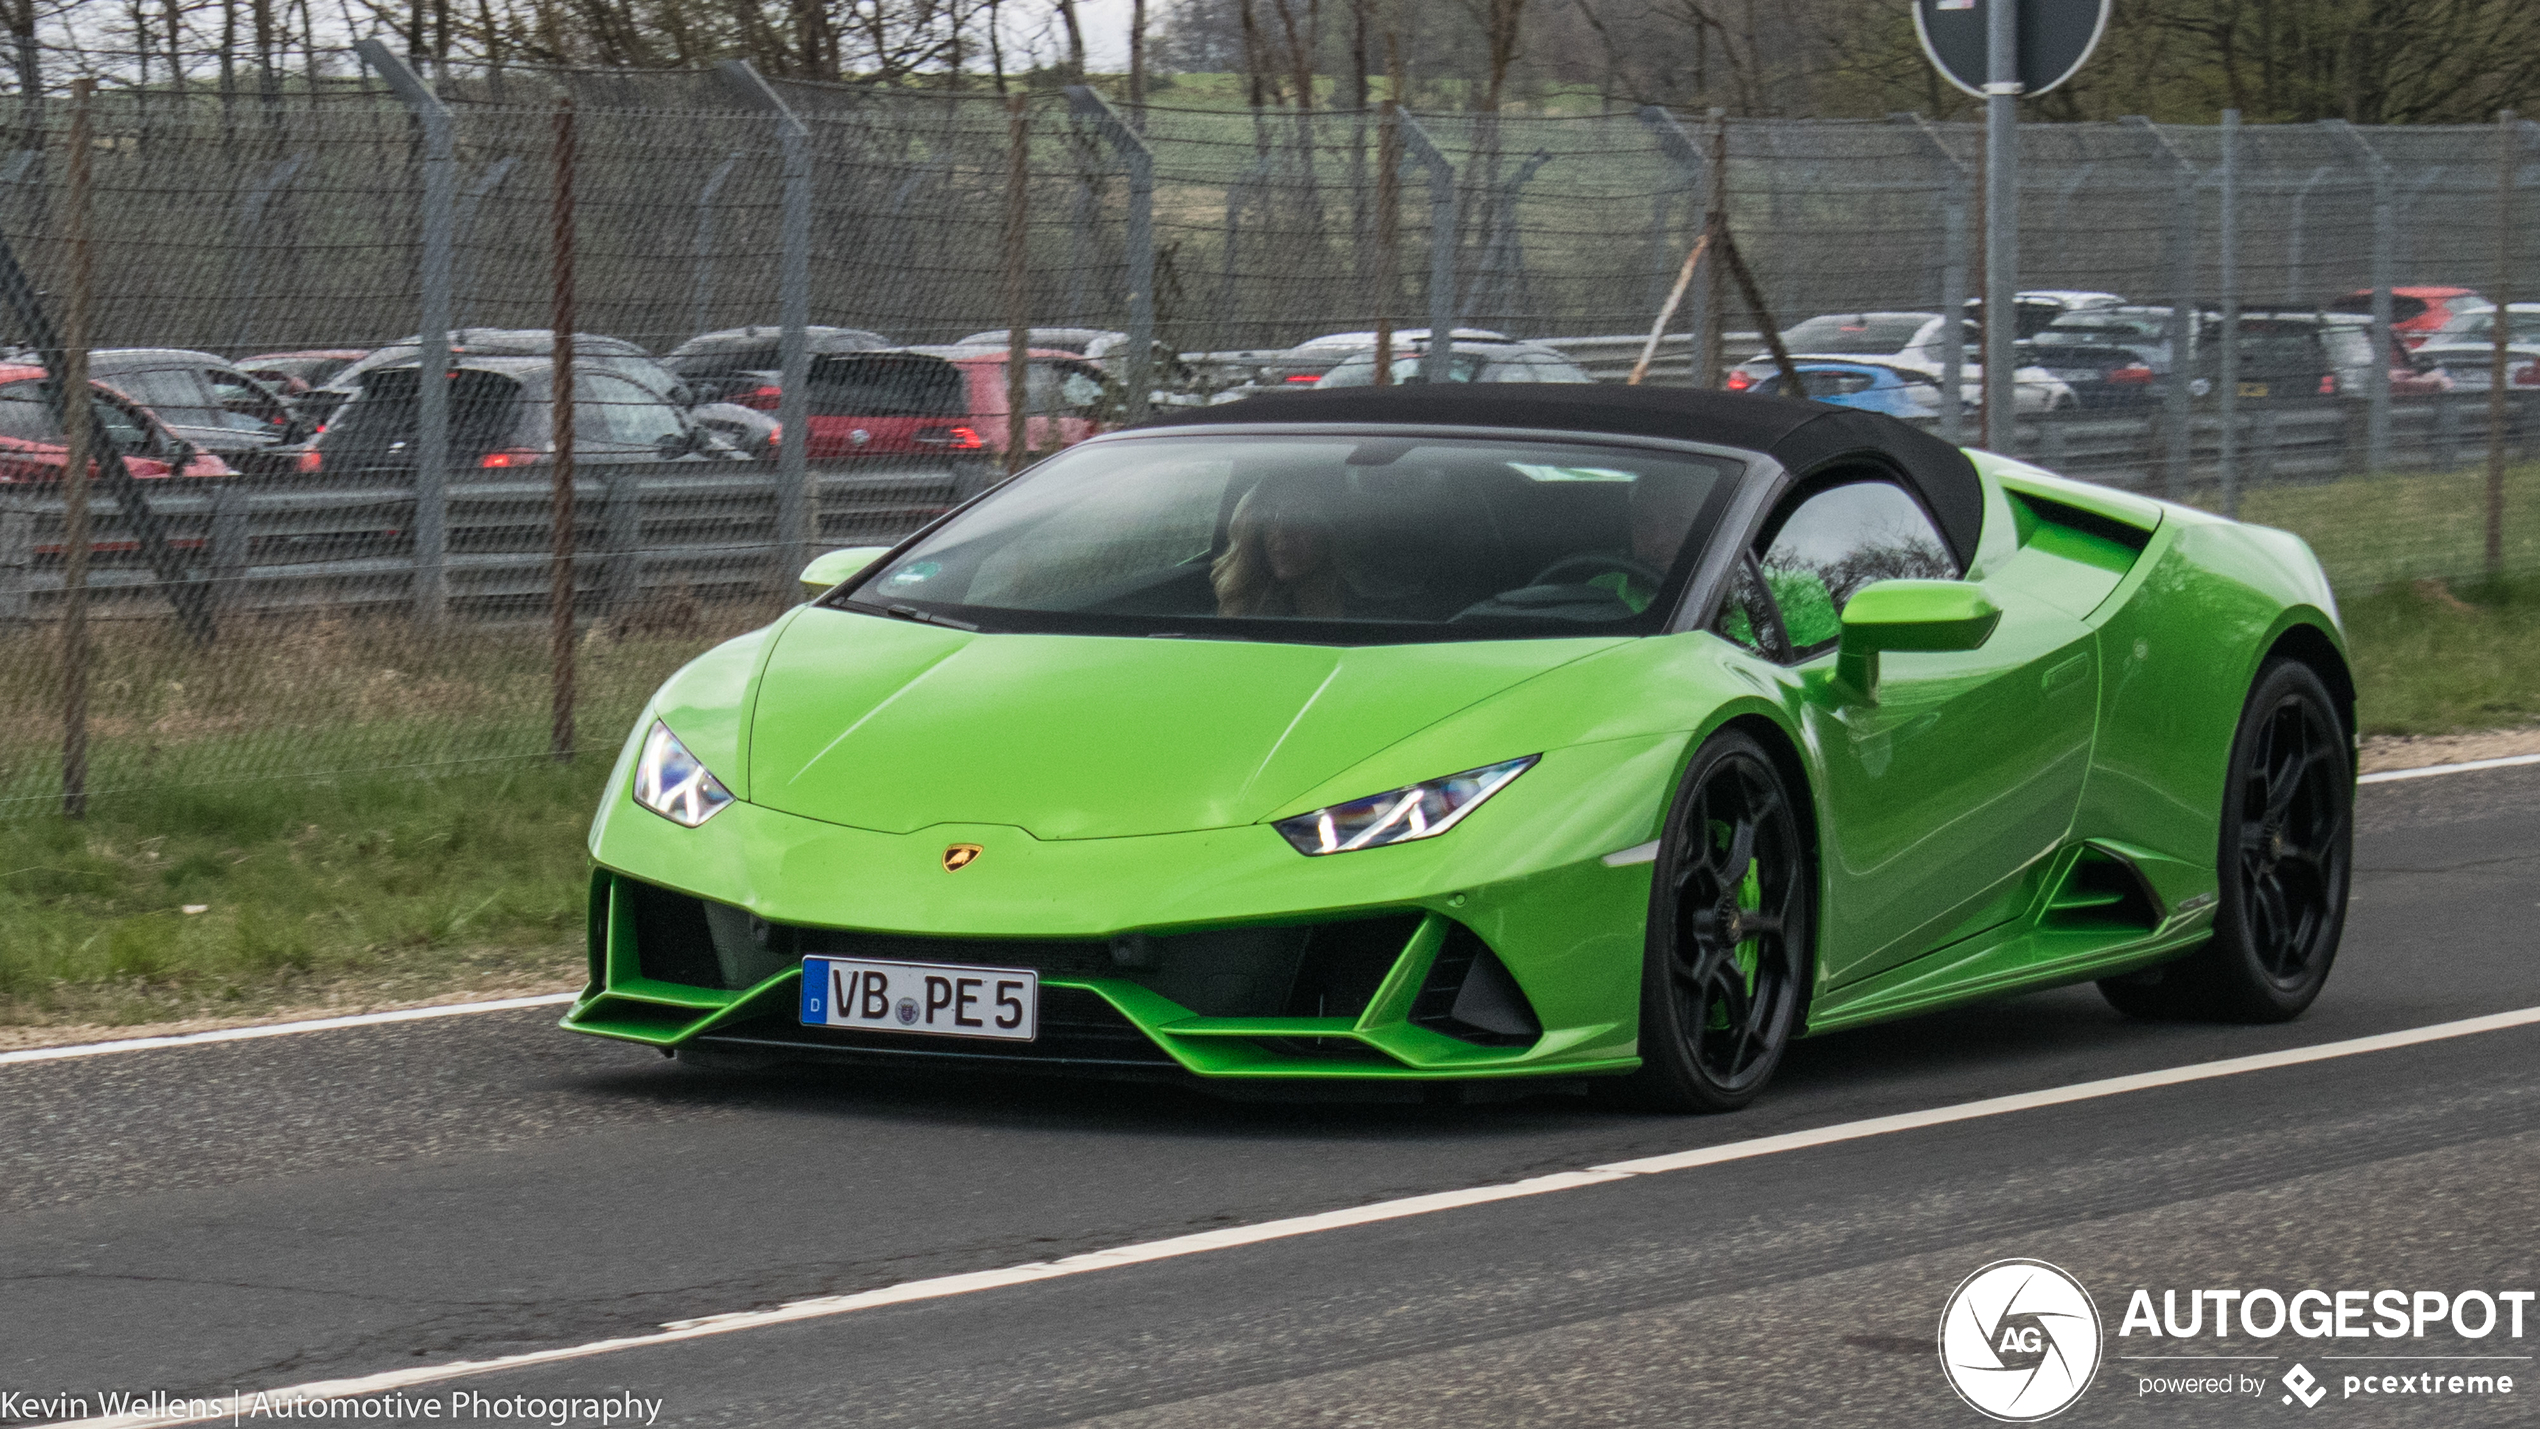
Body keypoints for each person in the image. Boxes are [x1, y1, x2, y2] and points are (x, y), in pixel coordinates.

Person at [1212, 475, 1347, 617]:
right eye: (1270, 515)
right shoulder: (1239, 602)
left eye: (1297, 516)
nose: (1281, 530)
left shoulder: (1362, 614)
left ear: (1327, 529)